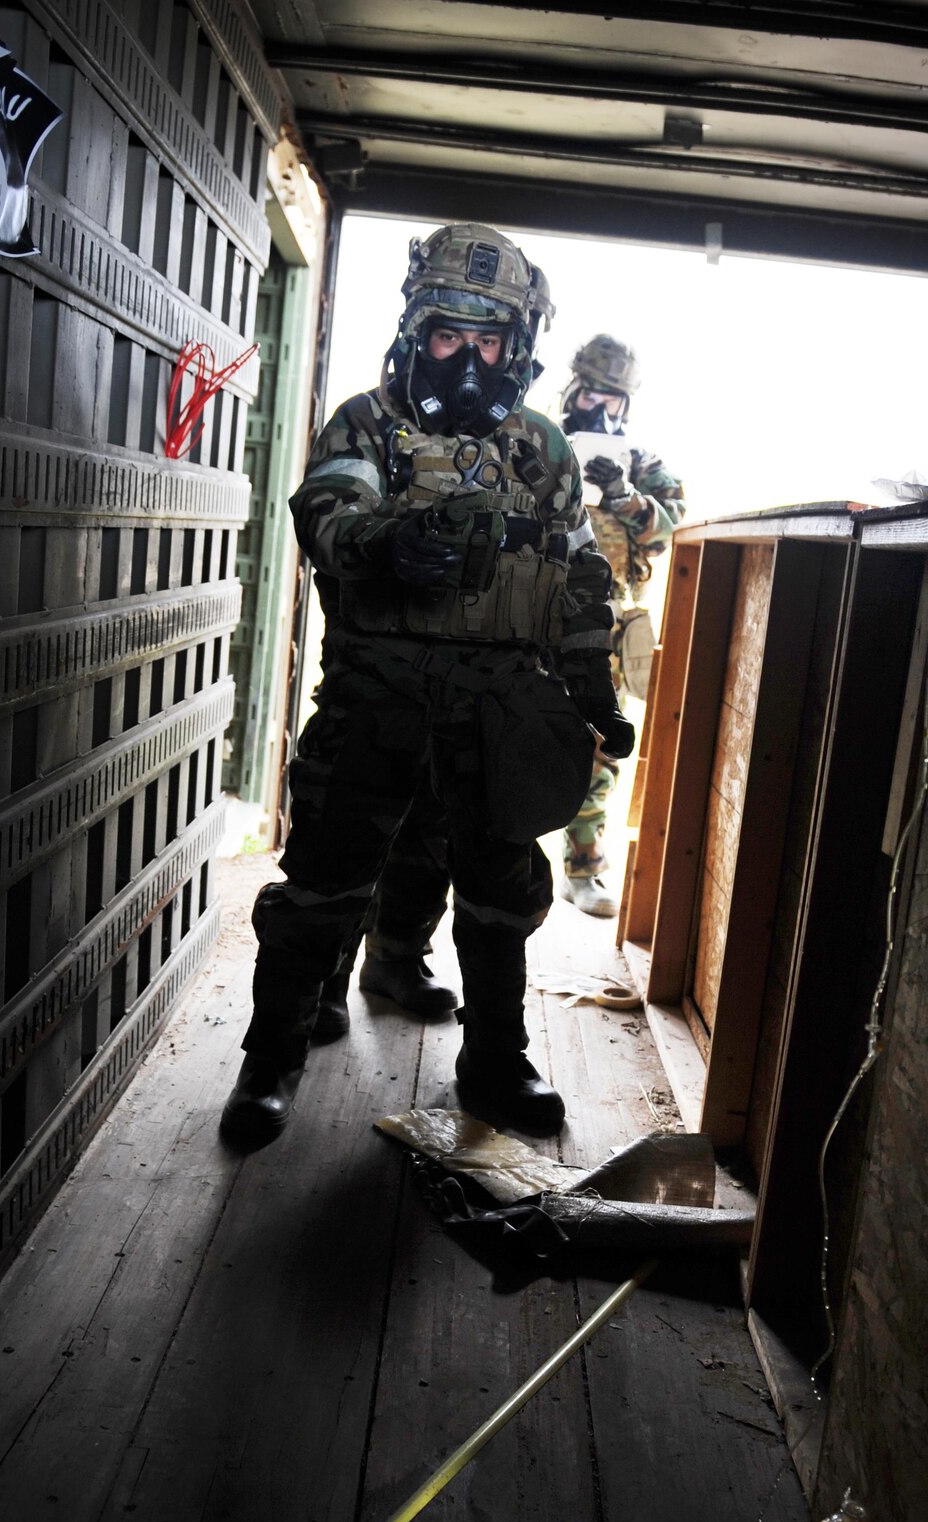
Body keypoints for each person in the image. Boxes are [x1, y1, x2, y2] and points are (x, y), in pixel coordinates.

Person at [220, 223, 632, 1146]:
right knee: (323, 886)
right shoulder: (367, 420)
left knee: (501, 894)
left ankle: (495, 1062)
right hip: (378, 699)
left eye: (490, 342)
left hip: (496, 713)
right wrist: (380, 543)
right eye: (452, 336)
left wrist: (591, 689)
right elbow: (326, 508)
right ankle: (270, 1059)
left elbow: (576, 579)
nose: (470, 360)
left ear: (516, 348)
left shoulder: (543, 452)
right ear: (419, 330)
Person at [556, 334, 685, 916]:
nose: (600, 407)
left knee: (598, 749)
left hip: (605, 630)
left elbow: (667, 531)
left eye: (613, 399)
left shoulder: (642, 465)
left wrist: (622, 494)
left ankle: (583, 869)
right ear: (573, 389)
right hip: (533, 618)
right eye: (592, 393)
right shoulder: (538, 439)